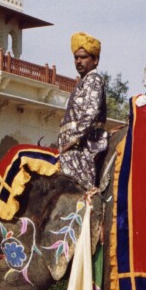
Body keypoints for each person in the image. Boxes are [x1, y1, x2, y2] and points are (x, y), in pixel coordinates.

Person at [59, 32, 108, 190]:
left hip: (83, 149)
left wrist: (71, 141)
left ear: (95, 60)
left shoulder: (94, 80)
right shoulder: (83, 82)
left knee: (78, 194)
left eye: (84, 57)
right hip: (73, 149)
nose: (79, 61)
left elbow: (90, 113)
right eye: (76, 57)